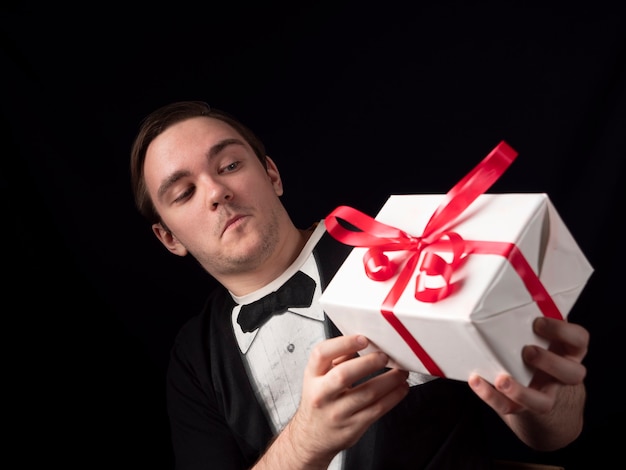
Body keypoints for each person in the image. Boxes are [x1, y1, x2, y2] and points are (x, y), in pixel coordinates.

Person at [129, 100, 589, 469]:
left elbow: (556, 432)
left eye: (229, 165)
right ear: (169, 238)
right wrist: (307, 441)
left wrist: (546, 400)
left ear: (271, 174)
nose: (216, 192)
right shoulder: (193, 358)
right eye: (185, 192)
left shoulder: (397, 247)